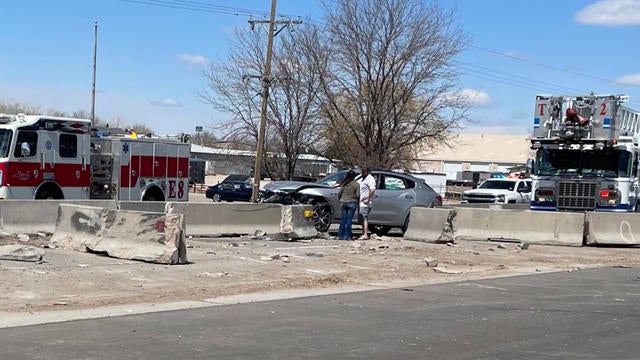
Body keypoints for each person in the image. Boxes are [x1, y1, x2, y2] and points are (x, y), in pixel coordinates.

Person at [337, 170, 360, 240]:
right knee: (349, 220)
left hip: (343, 202)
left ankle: (340, 235)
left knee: (343, 220)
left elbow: (339, 193)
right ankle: (348, 236)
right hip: (351, 202)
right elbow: (358, 195)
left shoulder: (344, 183)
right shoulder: (356, 184)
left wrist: (340, 199)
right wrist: (357, 201)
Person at [357, 166, 376, 240]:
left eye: (364, 171)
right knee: (361, 218)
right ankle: (363, 232)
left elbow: (372, 190)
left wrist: (368, 199)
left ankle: (365, 234)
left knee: (364, 217)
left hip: (365, 202)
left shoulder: (370, 179)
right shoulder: (362, 178)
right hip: (360, 201)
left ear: (368, 172)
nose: (363, 173)